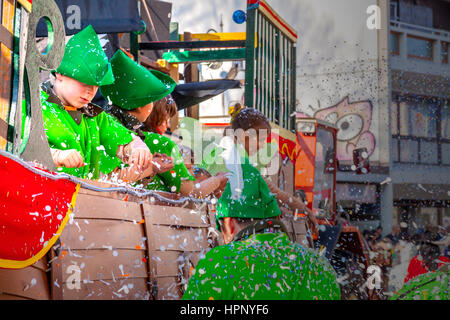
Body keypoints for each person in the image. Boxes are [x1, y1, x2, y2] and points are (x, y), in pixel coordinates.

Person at [182, 108, 340, 300]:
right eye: (261, 137)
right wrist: (303, 209)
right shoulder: (319, 267)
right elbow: (270, 190)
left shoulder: (215, 265)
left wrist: (302, 209)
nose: (264, 143)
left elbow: (270, 189)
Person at [100, 50, 227, 197]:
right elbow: (191, 193)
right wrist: (218, 180)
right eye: (152, 100)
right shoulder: (160, 143)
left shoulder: (101, 125)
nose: (167, 125)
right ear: (142, 104)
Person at [41, 25, 152, 182]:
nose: (90, 91)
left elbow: (124, 142)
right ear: (60, 73)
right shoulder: (35, 107)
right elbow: (18, 151)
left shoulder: (95, 115)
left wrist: (137, 148)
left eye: (96, 85)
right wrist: (56, 155)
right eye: (85, 82)